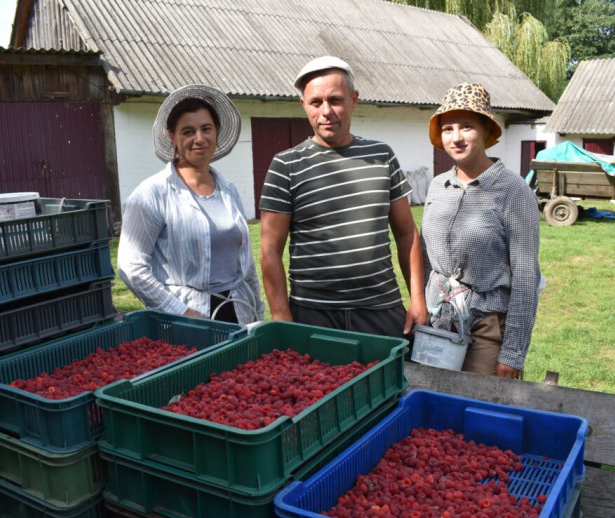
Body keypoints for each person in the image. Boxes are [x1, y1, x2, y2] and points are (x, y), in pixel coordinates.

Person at [259, 56, 427, 338]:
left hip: (381, 311)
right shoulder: (286, 165)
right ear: (304, 106)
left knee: (389, 382)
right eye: (315, 103)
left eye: (335, 100)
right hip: (313, 314)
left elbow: (407, 233)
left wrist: (418, 299)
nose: (326, 111)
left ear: (354, 99)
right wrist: (281, 314)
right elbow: (269, 249)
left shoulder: (381, 156)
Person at [420, 82, 541, 378]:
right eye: (448, 129)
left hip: (486, 326)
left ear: (486, 130)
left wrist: (513, 353)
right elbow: (426, 258)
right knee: (431, 405)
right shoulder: (437, 186)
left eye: (467, 127)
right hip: (437, 323)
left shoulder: (514, 191)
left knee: (481, 408)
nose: (456, 137)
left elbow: (526, 276)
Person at [117, 84, 264, 325]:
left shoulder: (228, 190)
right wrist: (183, 313)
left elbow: (245, 266)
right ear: (172, 136)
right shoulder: (151, 194)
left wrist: (257, 313)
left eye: (206, 129)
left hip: (238, 312)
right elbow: (131, 267)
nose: (199, 139)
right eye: (187, 131)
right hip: (186, 320)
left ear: (216, 132)